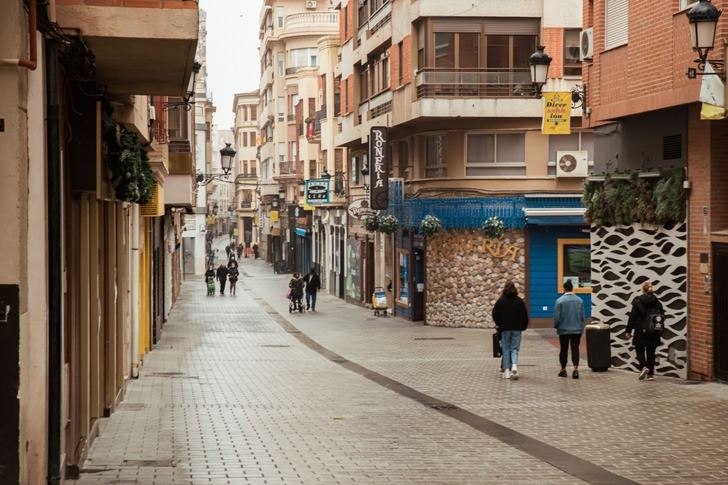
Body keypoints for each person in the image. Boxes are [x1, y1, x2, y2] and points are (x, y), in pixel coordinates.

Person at [626, 281, 665, 381]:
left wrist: (628, 330)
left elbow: (632, 317)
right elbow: (662, 316)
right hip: (653, 331)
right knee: (651, 352)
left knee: (639, 349)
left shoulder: (638, 301)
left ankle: (644, 367)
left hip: (640, 331)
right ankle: (650, 375)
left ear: (643, 290)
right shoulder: (657, 302)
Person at [491, 281, 529, 380]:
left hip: (505, 329)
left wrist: (499, 324)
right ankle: (514, 366)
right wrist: (523, 326)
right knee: (515, 348)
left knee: (506, 349)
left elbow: (495, 314)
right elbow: (524, 315)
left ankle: (507, 371)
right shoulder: (519, 301)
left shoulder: (501, 301)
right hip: (517, 329)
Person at [554, 280, 586, 379]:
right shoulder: (579, 300)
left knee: (564, 349)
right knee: (575, 349)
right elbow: (582, 317)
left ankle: (563, 369)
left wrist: (556, 326)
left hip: (563, 330)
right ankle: (575, 369)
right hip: (577, 329)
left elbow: (557, 317)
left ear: (564, 289)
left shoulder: (559, 301)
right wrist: (581, 326)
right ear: (572, 288)